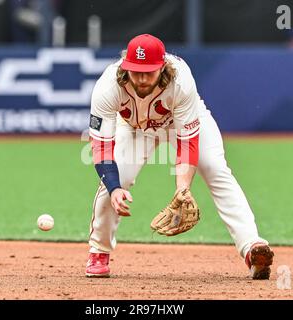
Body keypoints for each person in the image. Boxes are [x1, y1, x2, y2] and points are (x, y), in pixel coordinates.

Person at [86, 34, 274, 280]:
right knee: (118, 179)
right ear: (125, 67)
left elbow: (187, 143)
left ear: (162, 67)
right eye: (136, 71)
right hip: (134, 128)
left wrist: (182, 189)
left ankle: (252, 247)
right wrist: (114, 188)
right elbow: (101, 146)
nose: (142, 78)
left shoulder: (181, 81)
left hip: (179, 122)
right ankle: (99, 251)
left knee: (215, 168)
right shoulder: (108, 86)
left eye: (149, 72)